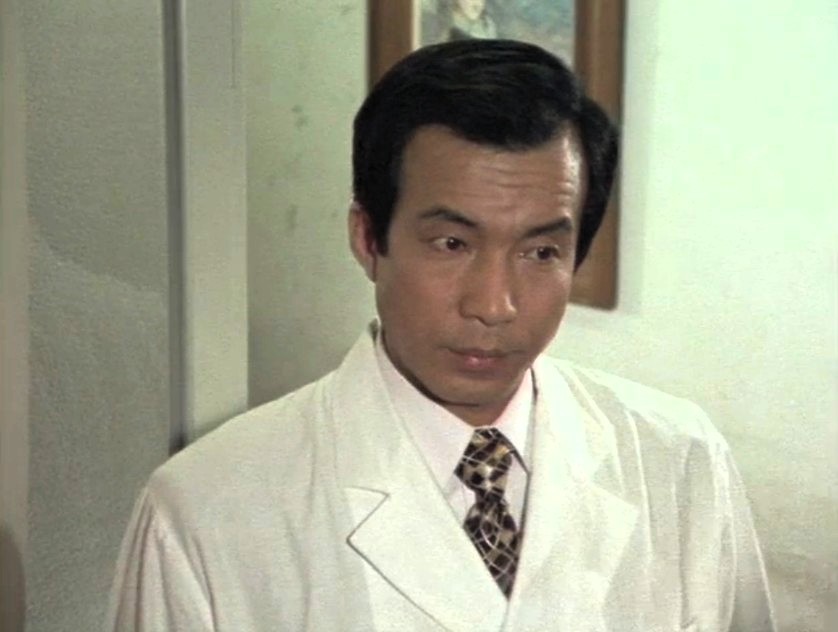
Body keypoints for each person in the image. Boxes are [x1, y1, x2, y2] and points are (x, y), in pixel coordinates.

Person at [107, 40, 776, 631]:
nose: (494, 305)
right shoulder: (206, 511)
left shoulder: (680, 461)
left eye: (540, 252)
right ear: (368, 238)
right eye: (452, 243)